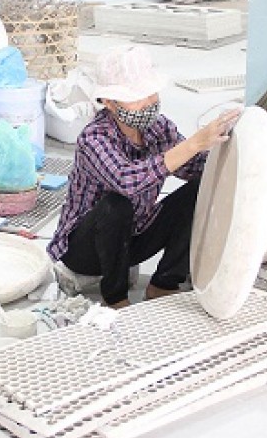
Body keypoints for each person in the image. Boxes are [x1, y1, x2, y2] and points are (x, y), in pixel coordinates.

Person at [47, 44, 240, 309]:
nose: (149, 103)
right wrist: (194, 143)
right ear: (109, 102)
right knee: (116, 205)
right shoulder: (93, 138)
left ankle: (164, 283)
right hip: (84, 250)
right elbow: (127, 182)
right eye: (137, 97)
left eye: (151, 94)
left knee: (199, 189)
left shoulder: (159, 128)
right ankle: (115, 297)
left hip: (134, 237)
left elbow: (192, 167)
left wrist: (229, 153)